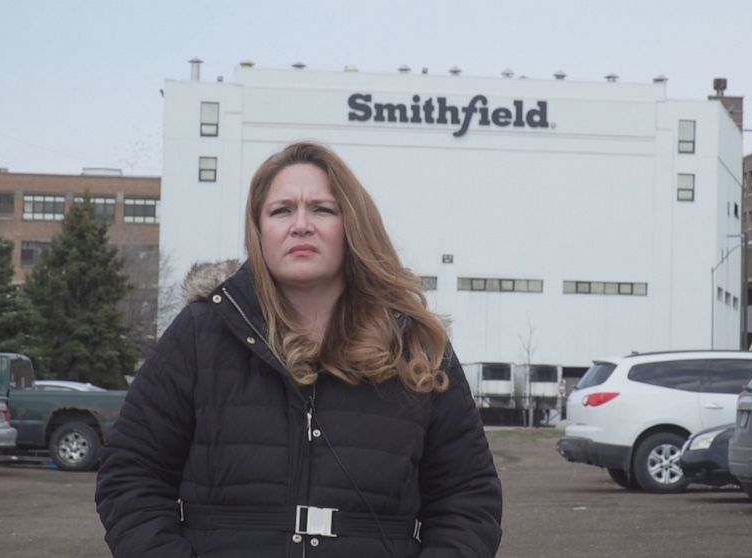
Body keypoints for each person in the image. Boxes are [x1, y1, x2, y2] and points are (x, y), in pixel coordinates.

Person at [95, 142, 503, 557]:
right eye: (281, 210)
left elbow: (467, 499)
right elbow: (131, 476)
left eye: (322, 209)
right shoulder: (201, 335)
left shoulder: (415, 348)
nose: (301, 225)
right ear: (259, 230)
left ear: (352, 225)